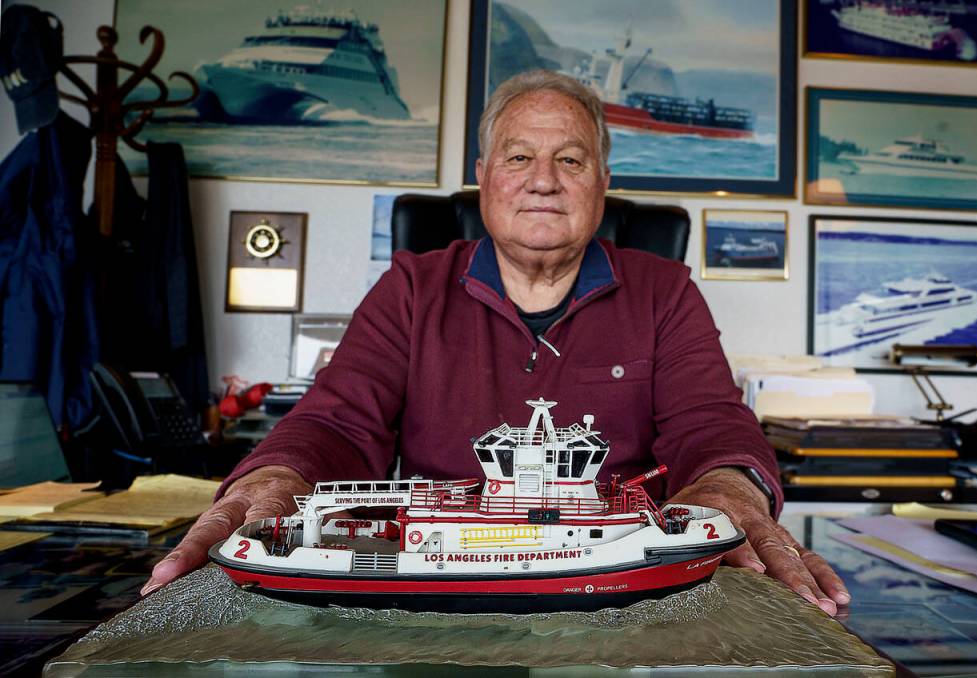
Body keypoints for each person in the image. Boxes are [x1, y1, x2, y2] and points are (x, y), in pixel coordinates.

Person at [142, 70, 848, 615]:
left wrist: (728, 487)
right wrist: (276, 480)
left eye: (571, 160)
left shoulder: (665, 289)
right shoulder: (412, 287)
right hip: (434, 588)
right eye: (519, 157)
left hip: (620, 598)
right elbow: (336, 418)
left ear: (604, 182)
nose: (544, 180)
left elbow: (711, 419)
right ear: (483, 178)